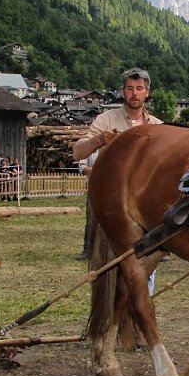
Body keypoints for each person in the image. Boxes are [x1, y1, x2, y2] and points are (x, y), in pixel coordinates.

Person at [72, 67, 162, 284]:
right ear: (123, 91)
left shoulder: (158, 127)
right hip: (111, 202)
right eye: (130, 88)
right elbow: (77, 153)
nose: (134, 93)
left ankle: (139, 307)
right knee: (109, 264)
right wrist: (99, 140)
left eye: (139, 88)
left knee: (145, 262)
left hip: (144, 203)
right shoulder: (106, 120)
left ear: (147, 93)